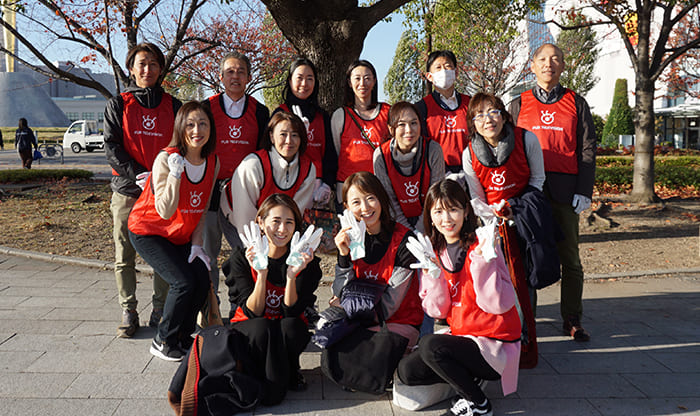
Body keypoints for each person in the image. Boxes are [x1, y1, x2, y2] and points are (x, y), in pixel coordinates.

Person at [397, 179, 521, 416]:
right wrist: (432, 274)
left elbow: (497, 304)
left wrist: (484, 264)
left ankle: (479, 404)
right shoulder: (435, 251)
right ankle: (467, 378)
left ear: (465, 211)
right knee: (407, 371)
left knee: (430, 345)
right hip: (462, 337)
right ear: (430, 216)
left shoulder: (483, 244)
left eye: (453, 209)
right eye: (438, 211)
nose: (446, 219)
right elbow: (438, 311)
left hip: (493, 343)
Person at [508, 43, 596, 341]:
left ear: (563, 66)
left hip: (565, 191)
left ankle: (572, 318)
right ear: (532, 66)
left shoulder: (576, 103)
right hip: (528, 194)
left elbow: (587, 148)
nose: (549, 64)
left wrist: (584, 190)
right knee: (526, 256)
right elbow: (508, 148)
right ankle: (526, 321)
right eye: (543, 59)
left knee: (570, 258)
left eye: (555, 59)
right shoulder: (518, 104)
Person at [128, 101, 220, 361]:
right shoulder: (166, 159)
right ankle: (162, 340)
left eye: (203, 124)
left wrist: (197, 245)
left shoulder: (213, 161)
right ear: (180, 128)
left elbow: (202, 208)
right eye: (190, 124)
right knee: (182, 282)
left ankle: (183, 335)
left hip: (180, 234)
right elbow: (165, 210)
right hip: (148, 230)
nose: (197, 130)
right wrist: (175, 174)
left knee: (201, 279)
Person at [462, 92, 545, 368]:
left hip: (523, 218)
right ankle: (504, 336)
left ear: (504, 115)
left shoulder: (526, 139)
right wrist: (492, 220)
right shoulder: (469, 153)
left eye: (493, 112)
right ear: (473, 123)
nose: (487, 119)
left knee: (524, 281)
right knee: (497, 283)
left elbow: (537, 179)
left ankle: (527, 337)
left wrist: (515, 209)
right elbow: (476, 197)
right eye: (479, 115)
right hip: (492, 226)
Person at [104, 42, 181, 337]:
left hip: (162, 194)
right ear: (132, 69)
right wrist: (137, 174)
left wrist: (161, 177)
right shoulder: (119, 104)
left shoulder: (174, 106)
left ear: (161, 69)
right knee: (124, 253)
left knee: (163, 253)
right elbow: (111, 147)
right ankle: (129, 309)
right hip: (127, 191)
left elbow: (181, 145)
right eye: (142, 64)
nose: (147, 69)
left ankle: (160, 308)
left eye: (153, 64)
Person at [224, 194, 322, 404]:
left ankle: (290, 369)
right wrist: (261, 274)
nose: (282, 229)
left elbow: (292, 312)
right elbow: (253, 312)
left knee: (292, 327)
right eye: (276, 221)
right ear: (261, 222)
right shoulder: (242, 258)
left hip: (284, 326)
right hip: (252, 328)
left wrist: (292, 275)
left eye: (289, 222)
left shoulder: (304, 259)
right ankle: (252, 370)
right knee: (262, 327)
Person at [202, 51, 270, 295]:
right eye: (230, 71)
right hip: (209, 191)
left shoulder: (260, 112)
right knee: (207, 254)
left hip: (243, 193)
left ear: (249, 77)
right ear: (221, 77)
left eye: (241, 72)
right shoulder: (206, 108)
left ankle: (243, 303)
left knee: (245, 250)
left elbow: (264, 154)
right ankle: (209, 308)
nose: (235, 76)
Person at [332, 171, 423, 348]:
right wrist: (343, 255)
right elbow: (340, 291)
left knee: (352, 343)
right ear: (347, 207)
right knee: (330, 338)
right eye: (356, 202)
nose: (365, 207)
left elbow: (390, 304)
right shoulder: (349, 239)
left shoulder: (404, 240)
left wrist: (347, 308)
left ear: (381, 199)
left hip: (398, 322)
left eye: (370, 198)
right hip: (359, 318)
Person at [227, 111, 315, 236]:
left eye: (295, 135)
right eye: (283, 134)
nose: (289, 141)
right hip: (236, 218)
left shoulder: (308, 169)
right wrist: (256, 243)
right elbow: (244, 215)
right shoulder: (253, 165)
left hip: (275, 224)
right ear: (272, 136)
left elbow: (295, 213)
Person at [373, 101, 445, 234]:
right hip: (396, 223)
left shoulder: (433, 150)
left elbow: (436, 196)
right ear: (391, 129)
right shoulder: (381, 155)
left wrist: (420, 230)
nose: (409, 130)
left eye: (413, 123)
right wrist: (407, 233)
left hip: (430, 219)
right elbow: (389, 201)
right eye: (401, 124)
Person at [273, 57, 335, 206]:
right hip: (286, 182)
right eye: (299, 78)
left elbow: (330, 154)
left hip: (316, 187)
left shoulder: (322, 116)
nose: (304, 84)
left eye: (309, 79)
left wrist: (327, 184)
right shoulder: (280, 113)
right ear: (290, 81)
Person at [330, 60, 391, 205]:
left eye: (367, 78)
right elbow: (336, 151)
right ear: (349, 83)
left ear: (374, 81)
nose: (362, 83)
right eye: (357, 78)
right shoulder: (340, 115)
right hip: (348, 188)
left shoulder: (387, 112)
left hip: (378, 186)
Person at [415, 50, 471, 180]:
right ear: (429, 76)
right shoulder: (421, 108)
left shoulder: (470, 103)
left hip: (470, 173)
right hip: (437, 175)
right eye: (438, 68)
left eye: (448, 66)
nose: (444, 71)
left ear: (456, 72)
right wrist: (443, 173)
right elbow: (422, 145)